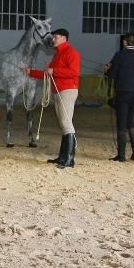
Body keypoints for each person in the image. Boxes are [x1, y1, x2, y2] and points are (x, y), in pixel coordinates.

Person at [23, 28, 81, 168]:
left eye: (55, 37)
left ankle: (69, 159)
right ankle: (63, 157)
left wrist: (54, 71)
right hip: (59, 90)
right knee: (64, 124)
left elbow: (74, 72)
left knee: (67, 124)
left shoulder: (71, 53)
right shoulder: (57, 55)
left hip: (67, 90)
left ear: (64, 38)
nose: (53, 39)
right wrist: (31, 72)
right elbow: (48, 74)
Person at [104, 34, 134, 162]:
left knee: (121, 123)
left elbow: (113, 75)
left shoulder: (120, 55)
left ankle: (121, 155)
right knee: (130, 121)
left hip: (122, 91)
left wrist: (107, 70)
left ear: (124, 42)